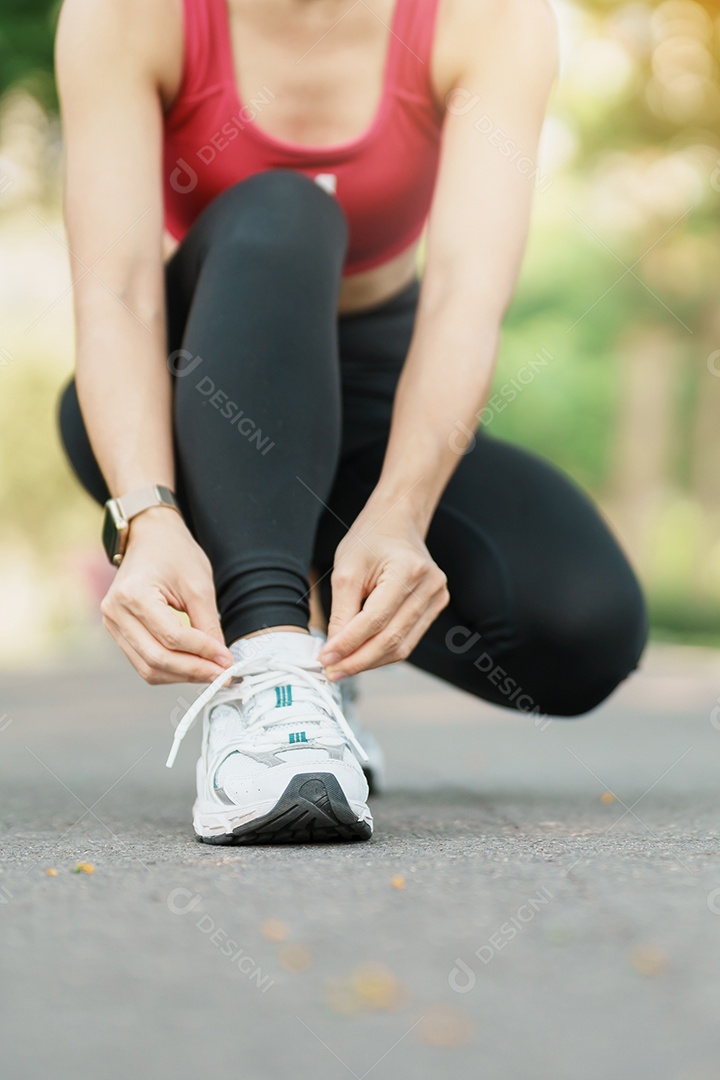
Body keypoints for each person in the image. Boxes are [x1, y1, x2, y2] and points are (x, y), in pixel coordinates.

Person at [55, 0, 648, 845]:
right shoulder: (125, 14)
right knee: (288, 210)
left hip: (376, 390)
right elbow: (114, 293)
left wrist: (402, 513)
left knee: (583, 622)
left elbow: (464, 297)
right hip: (190, 392)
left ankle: (322, 654)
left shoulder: (488, 18)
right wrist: (146, 514)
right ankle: (271, 676)